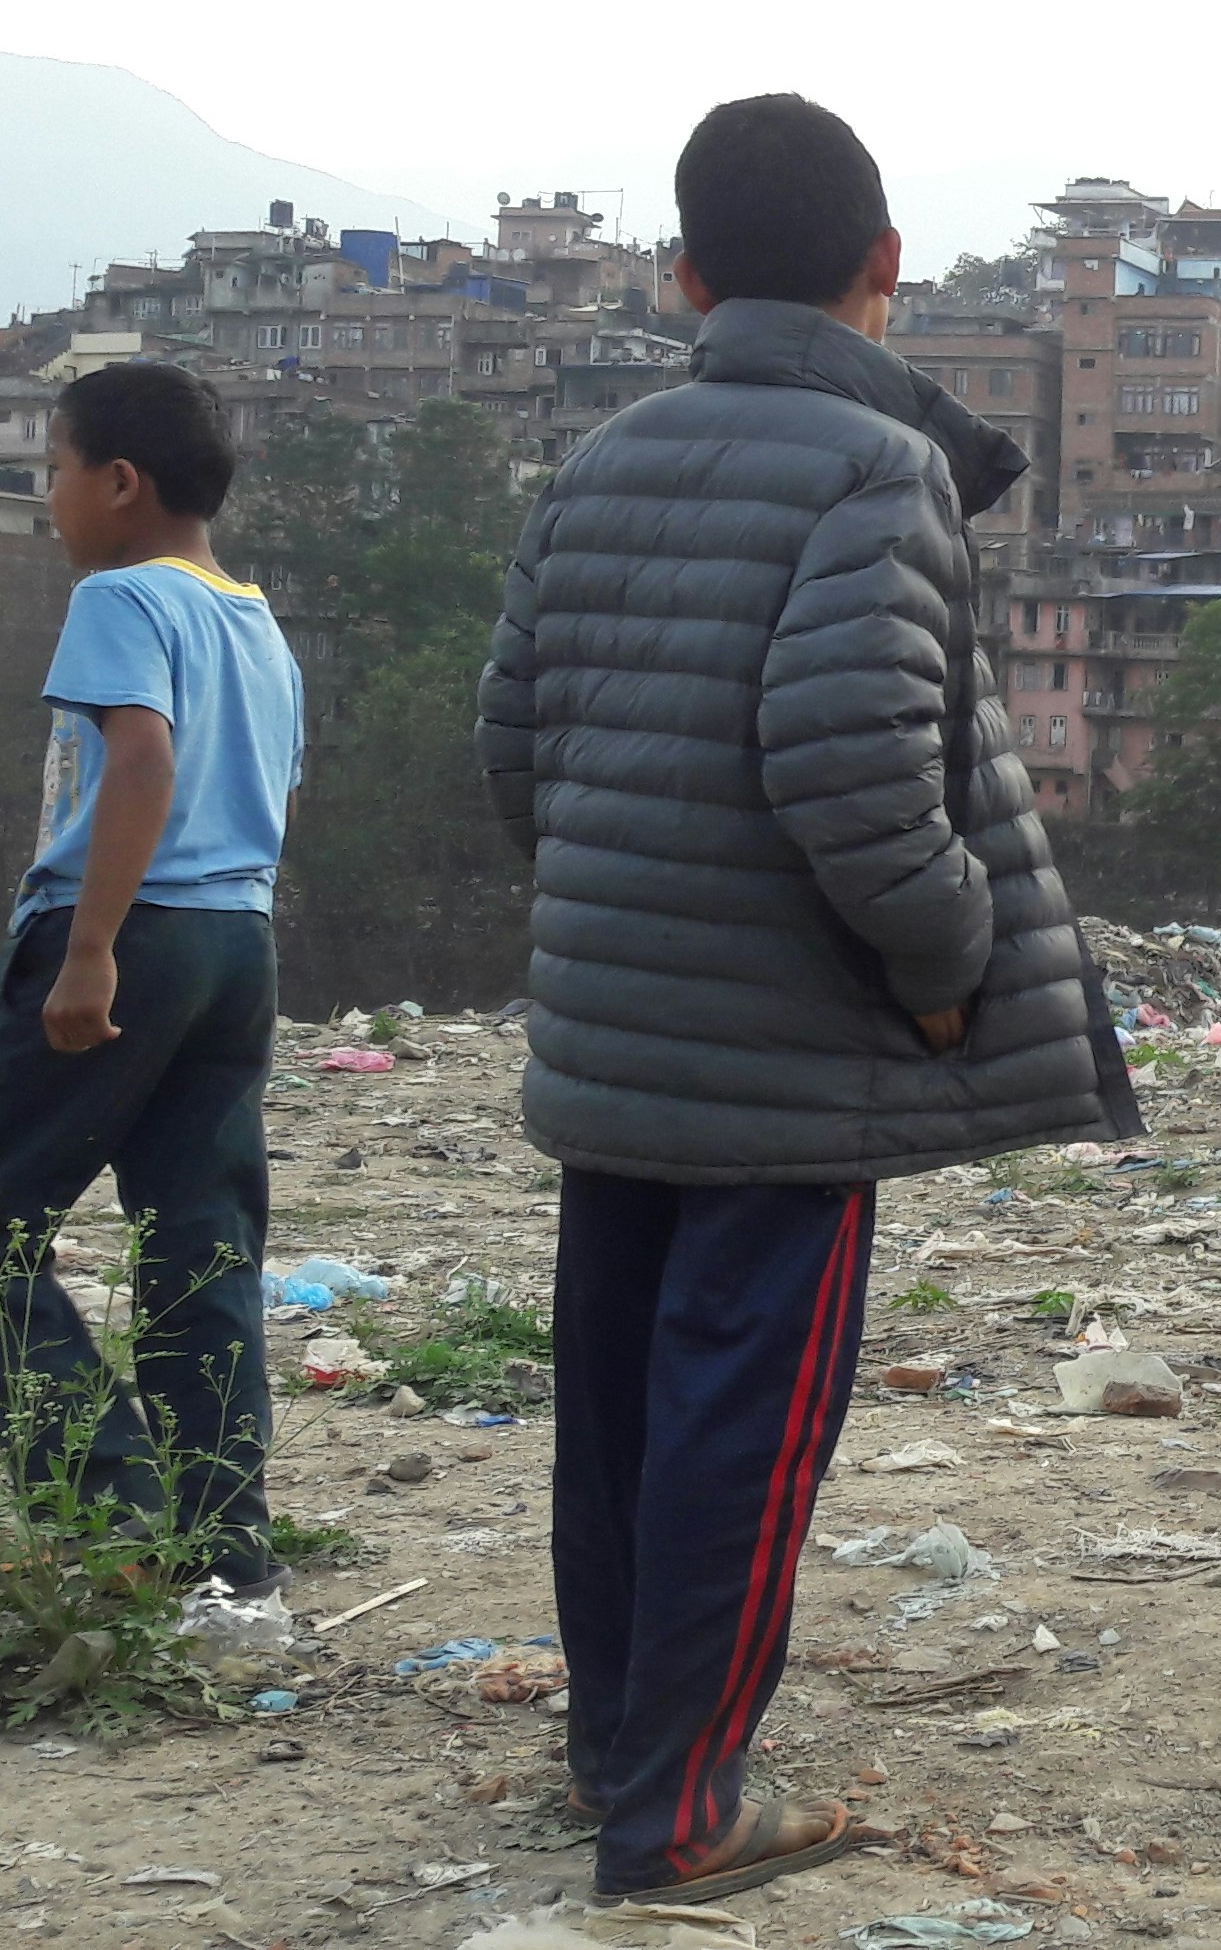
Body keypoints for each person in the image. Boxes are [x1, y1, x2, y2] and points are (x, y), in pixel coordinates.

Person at [477, 96, 1141, 1903]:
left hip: (612, 1030)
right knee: (740, 1415)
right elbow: (847, 755)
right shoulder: (873, 468)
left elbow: (510, 749)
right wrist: (940, 965)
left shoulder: (597, 461)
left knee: (613, 1400)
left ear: (684, 276)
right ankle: (685, 1804)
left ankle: (617, 1745)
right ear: (886, 267)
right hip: (785, 1054)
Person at [0, 361, 302, 1601]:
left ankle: (114, 1518)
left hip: (130, 933)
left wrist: (87, 947)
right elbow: (274, 796)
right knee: (197, 1243)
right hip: (239, 942)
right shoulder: (255, 618)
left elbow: (139, 763)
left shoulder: (123, 595)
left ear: (119, 483)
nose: (53, 497)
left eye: (56, 471)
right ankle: (223, 1562)